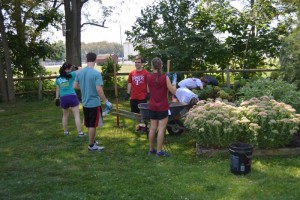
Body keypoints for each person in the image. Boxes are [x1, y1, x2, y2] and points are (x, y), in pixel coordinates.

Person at [73, 52, 113, 152]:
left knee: (90, 124)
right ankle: (91, 146)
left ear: (86, 60)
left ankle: (93, 141)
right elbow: (99, 89)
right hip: (94, 103)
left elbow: (75, 86)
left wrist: (84, 87)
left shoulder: (80, 72)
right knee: (92, 125)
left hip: (85, 103)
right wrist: (106, 101)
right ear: (95, 60)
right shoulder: (96, 74)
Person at [147, 57, 177, 157]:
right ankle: (159, 151)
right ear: (161, 66)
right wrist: (174, 82)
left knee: (152, 128)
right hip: (162, 106)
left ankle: (151, 150)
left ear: (152, 66)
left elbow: (148, 90)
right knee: (161, 129)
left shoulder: (149, 77)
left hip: (152, 106)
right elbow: (173, 91)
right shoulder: (165, 77)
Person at [55, 62, 85, 137]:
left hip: (63, 98)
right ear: (68, 69)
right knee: (76, 115)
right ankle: (80, 132)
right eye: (71, 68)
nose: (71, 69)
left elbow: (57, 90)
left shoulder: (58, 79)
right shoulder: (72, 75)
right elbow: (81, 70)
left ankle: (65, 132)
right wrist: (77, 67)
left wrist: (57, 98)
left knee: (65, 115)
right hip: (72, 96)